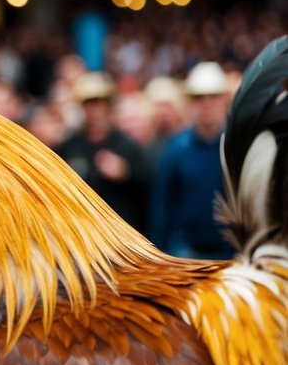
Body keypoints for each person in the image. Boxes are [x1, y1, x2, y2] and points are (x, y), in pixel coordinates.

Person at [149, 61, 235, 259]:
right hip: (187, 252)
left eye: (213, 96)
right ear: (190, 102)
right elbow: (163, 205)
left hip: (232, 252)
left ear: (224, 100)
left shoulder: (237, 147)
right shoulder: (177, 148)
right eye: (199, 97)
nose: (206, 104)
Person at [53, 71, 149, 232]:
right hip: (82, 233)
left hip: (121, 235)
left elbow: (147, 189)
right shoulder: (69, 146)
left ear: (108, 105)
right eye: (87, 103)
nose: (93, 109)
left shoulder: (126, 146)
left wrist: (126, 173)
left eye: (98, 102)